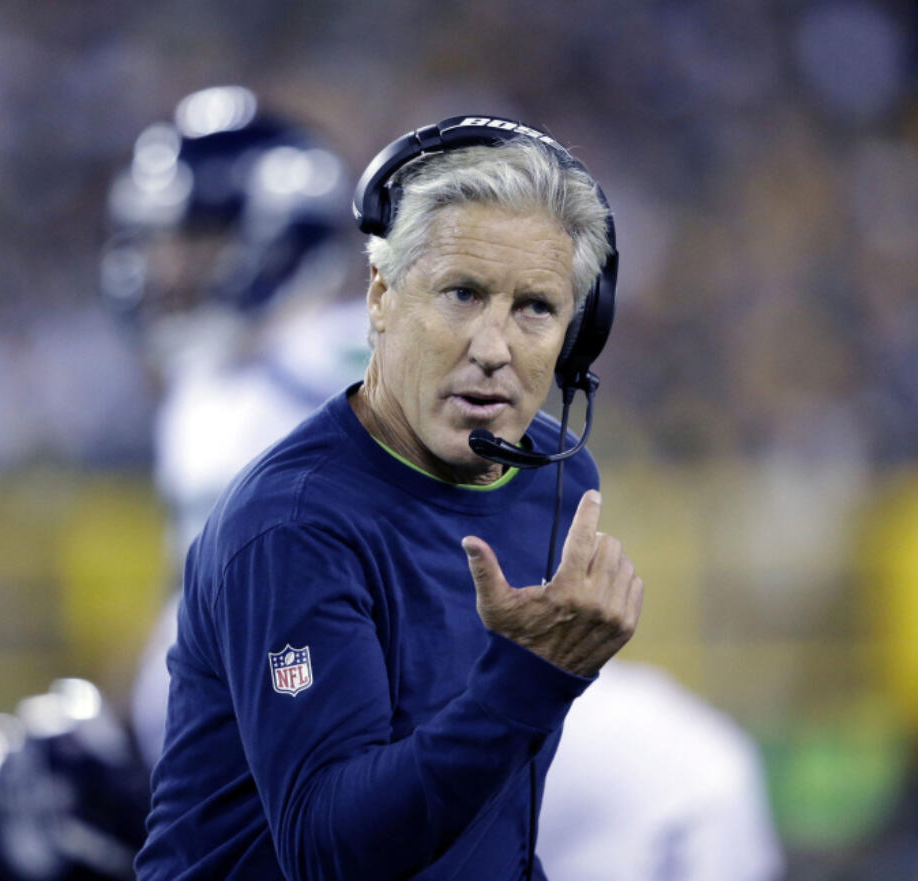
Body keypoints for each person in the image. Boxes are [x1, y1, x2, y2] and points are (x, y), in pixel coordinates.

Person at [134, 115, 643, 881]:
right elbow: (331, 851)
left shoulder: (554, 477)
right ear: (380, 295)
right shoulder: (293, 524)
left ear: (579, 332)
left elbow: (492, 819)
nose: (494, 346)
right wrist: (533, 676)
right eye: (462, 294)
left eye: (535, 306)